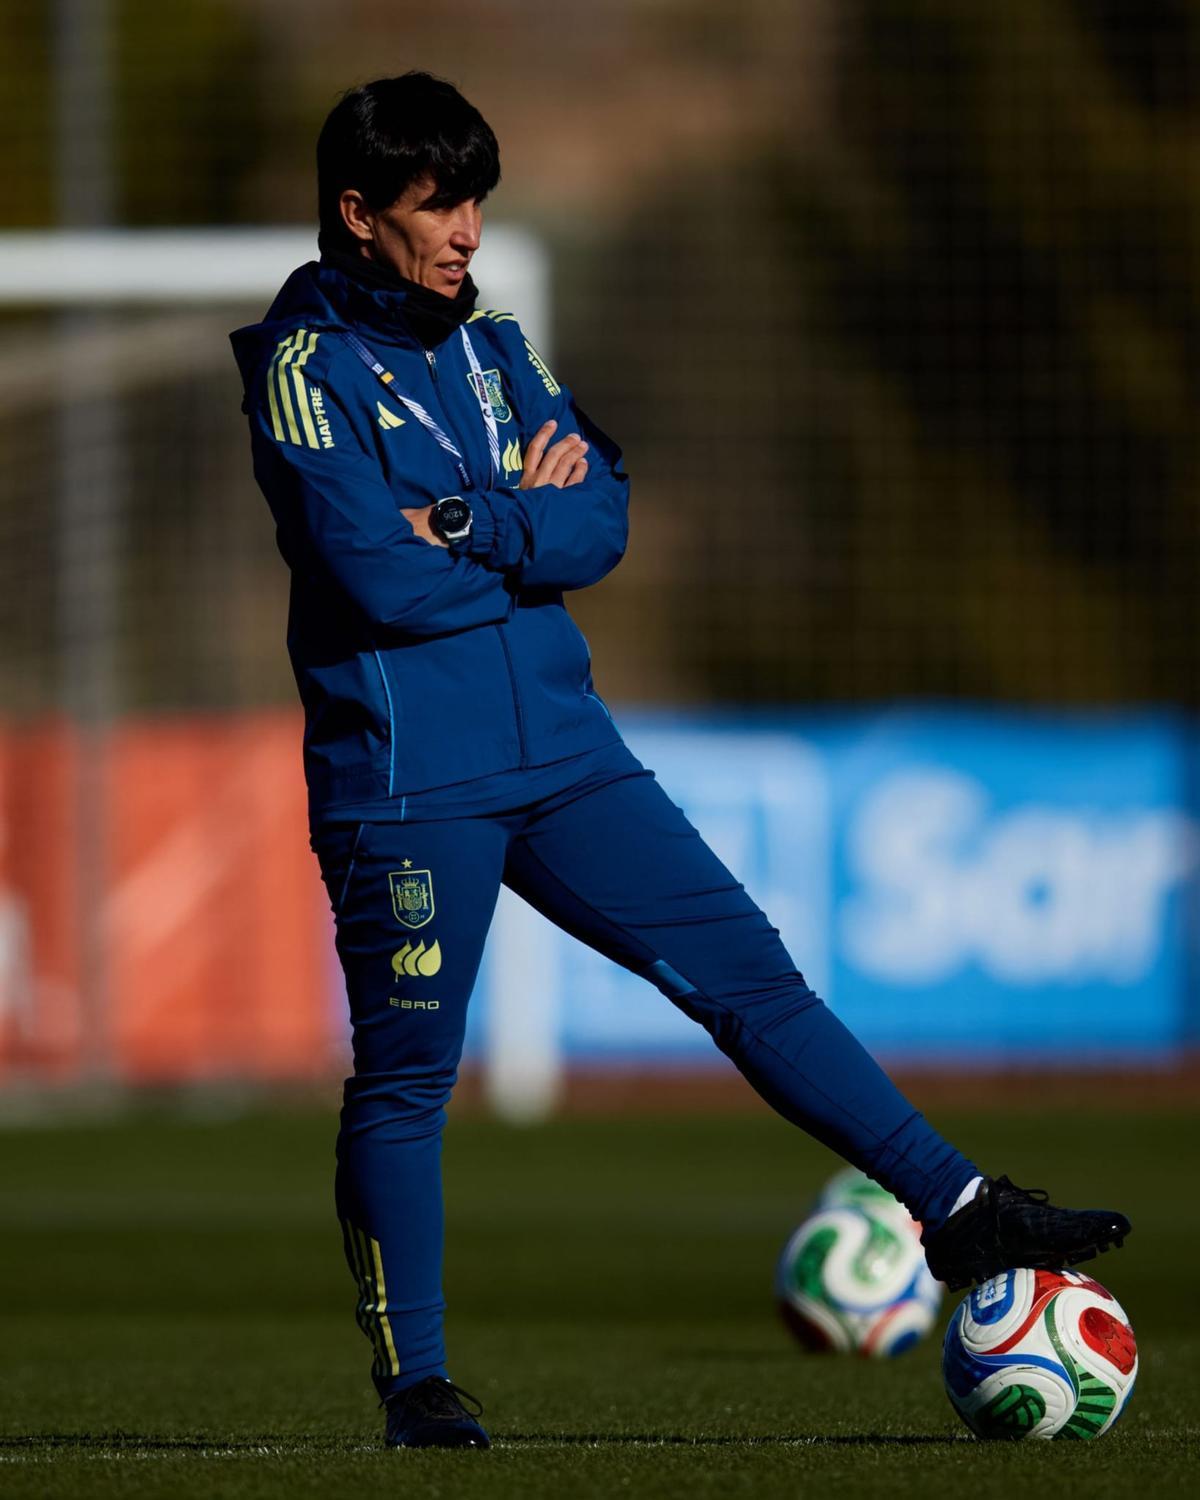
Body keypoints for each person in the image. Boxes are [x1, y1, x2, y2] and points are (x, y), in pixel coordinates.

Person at [230, 72, 1131, 1451]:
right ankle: (417, 1383)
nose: (469, 230)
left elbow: (601, 519)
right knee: (409, 1079)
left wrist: (465, 519)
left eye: (480, 201)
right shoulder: (303, 364)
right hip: (409, 784)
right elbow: (369, 575)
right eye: (438, 205)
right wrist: (516, 523)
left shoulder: (493, 342)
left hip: (569, 752)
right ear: (360, 215)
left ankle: (960, 1213)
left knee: (751, 979)